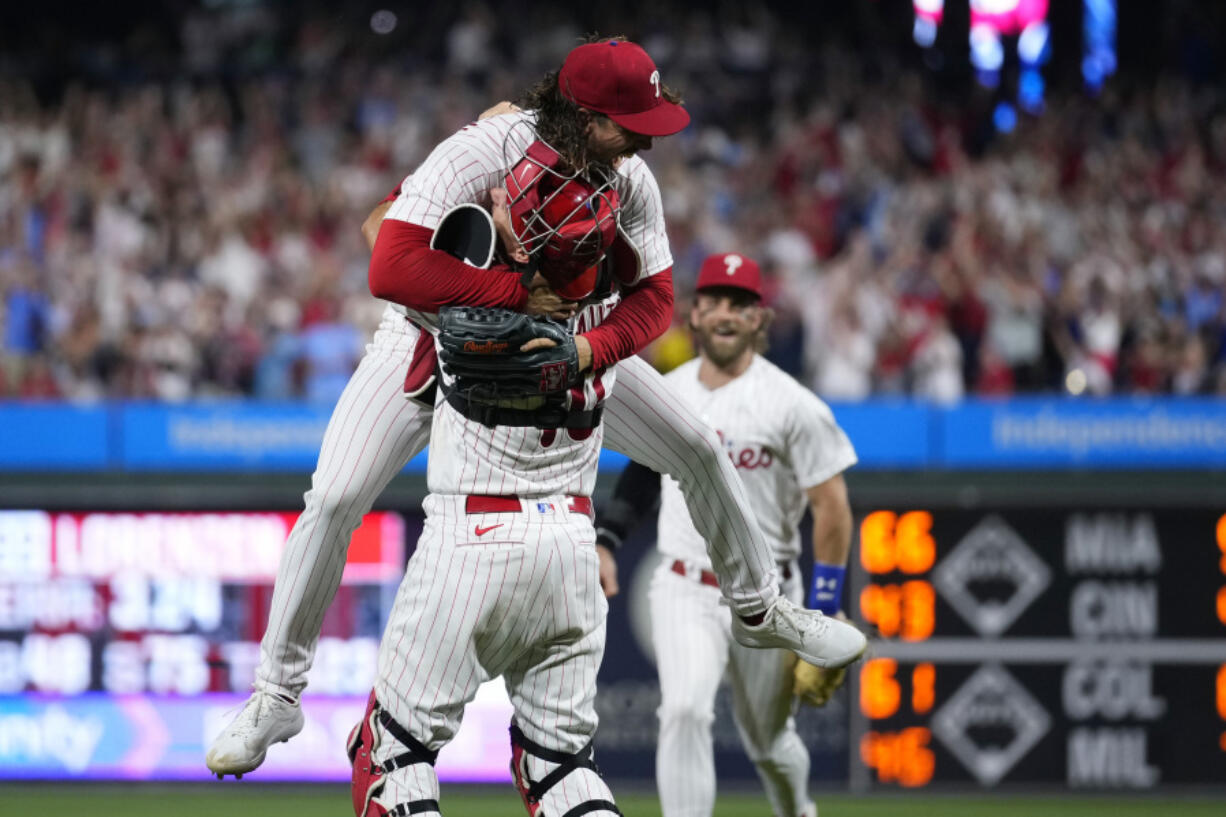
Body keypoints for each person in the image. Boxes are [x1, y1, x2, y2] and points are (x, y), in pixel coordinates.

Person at [206, 38, 864, 784]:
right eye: (628, 120)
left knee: (699, 446)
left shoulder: (630, 177)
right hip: (427, 338)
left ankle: (761, 608)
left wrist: (590, 350)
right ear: (583, 116)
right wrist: (517, 297)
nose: (646, 134)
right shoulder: (484, 147)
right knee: (332, 497)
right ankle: (276, 694)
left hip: (567, 342)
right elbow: (387, 259)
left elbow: (655, 301)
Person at [594, 253, 859, 817]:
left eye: (738, 304)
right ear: (693, 315)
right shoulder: (668, 391)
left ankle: (798, 810)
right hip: (685, 585)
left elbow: (832, 507)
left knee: (769, 742)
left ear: (759, 319)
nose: (724, 314)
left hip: (769, 595)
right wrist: (608, 539)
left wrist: (827, 605)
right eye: (712, 301)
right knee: (684, 710)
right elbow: (643, 473)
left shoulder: (794, 405)